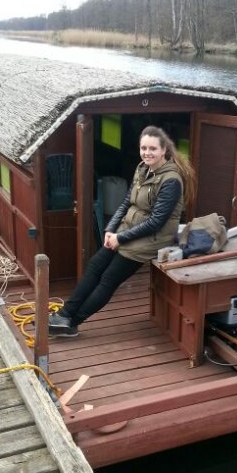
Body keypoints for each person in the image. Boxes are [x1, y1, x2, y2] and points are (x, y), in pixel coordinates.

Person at [49, 125, 196, 337]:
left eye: (152, 148)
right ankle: (65, 314)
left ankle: (73, 322)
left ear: (164, 150)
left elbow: (156, 222)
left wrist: (121, 238)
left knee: (109, 278)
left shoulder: (171, 180)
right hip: (128, 230)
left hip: (153, 238)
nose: (147, 153)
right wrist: (111, 231)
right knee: (95, 265)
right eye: (143, 148)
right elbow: (126, 203)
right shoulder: (142, 169)